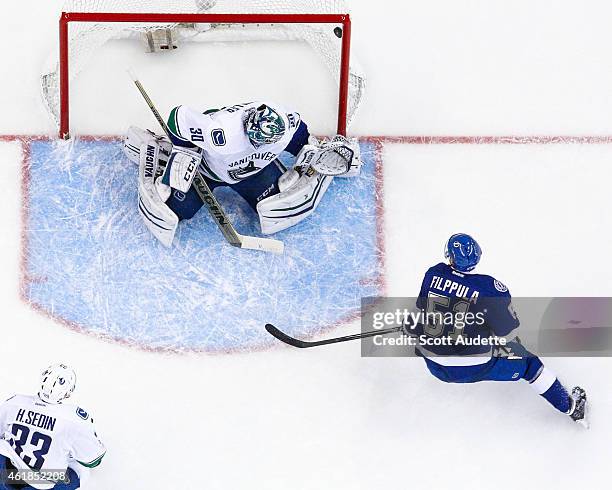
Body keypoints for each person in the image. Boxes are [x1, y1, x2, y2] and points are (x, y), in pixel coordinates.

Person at [405, 233, 588, 427]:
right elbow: (507, 334)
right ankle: (572, 408)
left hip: (432, 364)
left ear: (450, 256)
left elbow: (421, 311)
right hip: (470, 367)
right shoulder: (490, 289)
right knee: (530, 365)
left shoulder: (434, 274)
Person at [123, 101, 362, 247]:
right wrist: (184, 152)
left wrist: (310, 159)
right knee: (177, 211)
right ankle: (160, 152)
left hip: (252, 173)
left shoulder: (287, 123)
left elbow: (302, 141)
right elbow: (178, 117)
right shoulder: (222, 133)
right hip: (206, 170)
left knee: (274, 202)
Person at [0, 365, 105, 489]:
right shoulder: (73, 420)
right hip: (40, 484)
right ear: (68, 391)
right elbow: (93, 461)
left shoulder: (14, 402)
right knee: (80, 472)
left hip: (8, 473)